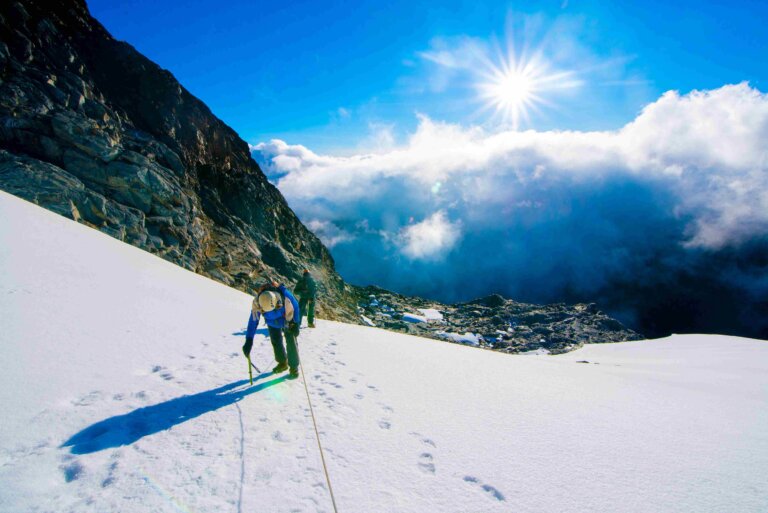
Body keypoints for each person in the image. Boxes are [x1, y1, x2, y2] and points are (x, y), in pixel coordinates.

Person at [243, 281, 302, 379]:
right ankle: (282, 363)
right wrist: (249, 339)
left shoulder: (284, 295)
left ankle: (294, 367)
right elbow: (253, 320)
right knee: (276, 341)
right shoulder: (257, 302)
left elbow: (295, 306)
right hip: (272, 323)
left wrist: (296, 323)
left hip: (287, 319)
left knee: (291, 341)